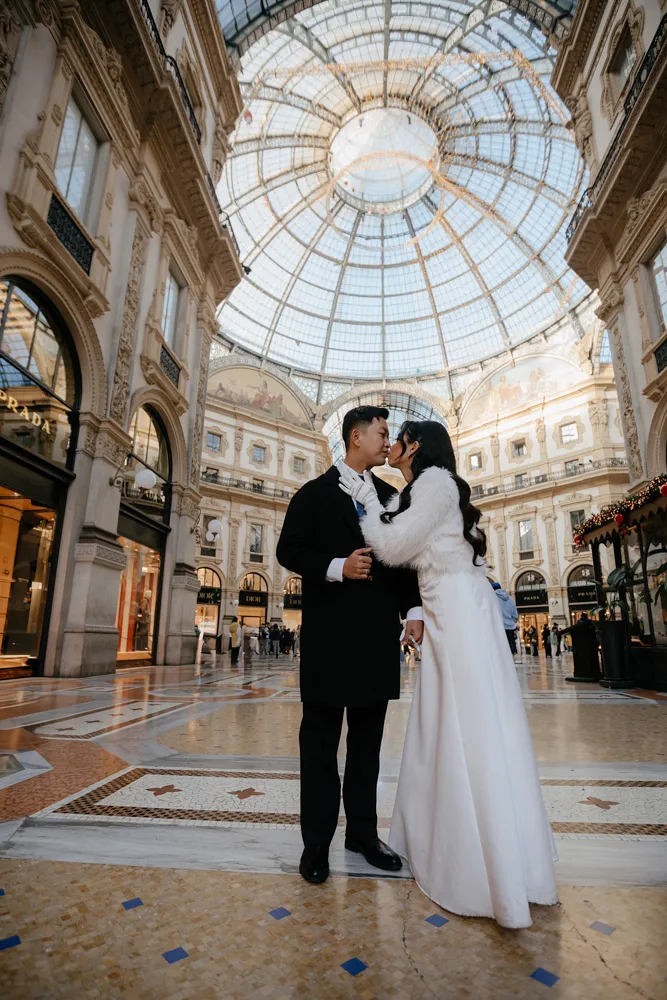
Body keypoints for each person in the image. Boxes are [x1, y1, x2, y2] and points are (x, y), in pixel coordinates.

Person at [339, 419, 557, 929]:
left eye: (397, 438)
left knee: (468, 725)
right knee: (446, 722)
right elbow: (406, 532)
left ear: (414, 446)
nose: (390, 444)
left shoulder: (435, 483)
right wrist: (376, 501)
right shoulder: (427, 488)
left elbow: (393, 547)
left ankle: (479, 865)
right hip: (445, 611)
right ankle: (451, 843)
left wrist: (367, 505)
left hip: (457, 613)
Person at [277, 405, 422, 885]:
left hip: (375, 640)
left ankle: (362, 834)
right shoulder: (314, 494)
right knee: (318, 746)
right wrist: (338, 566)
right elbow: (288, 550)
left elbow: (402, 561)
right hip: (328, 641)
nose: (387, 442)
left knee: (368, 746)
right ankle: (315, 845)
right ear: (355, 437)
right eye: (381, 434)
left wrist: (413, 612)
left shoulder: (388, 495)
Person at [561, 613, 601, 682]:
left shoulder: (583, 624)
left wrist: (561, 632)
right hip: (589, 646)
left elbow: (573, 628)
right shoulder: (590, 623)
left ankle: (585, 673)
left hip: (582, 647)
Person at [491, 581, 518, 654]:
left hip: (499, 628)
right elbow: (515, 616)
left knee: (501, 651)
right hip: (510, 628)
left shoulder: (492, 598)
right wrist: (510, 622)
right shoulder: (510, 599)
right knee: (510, 649)